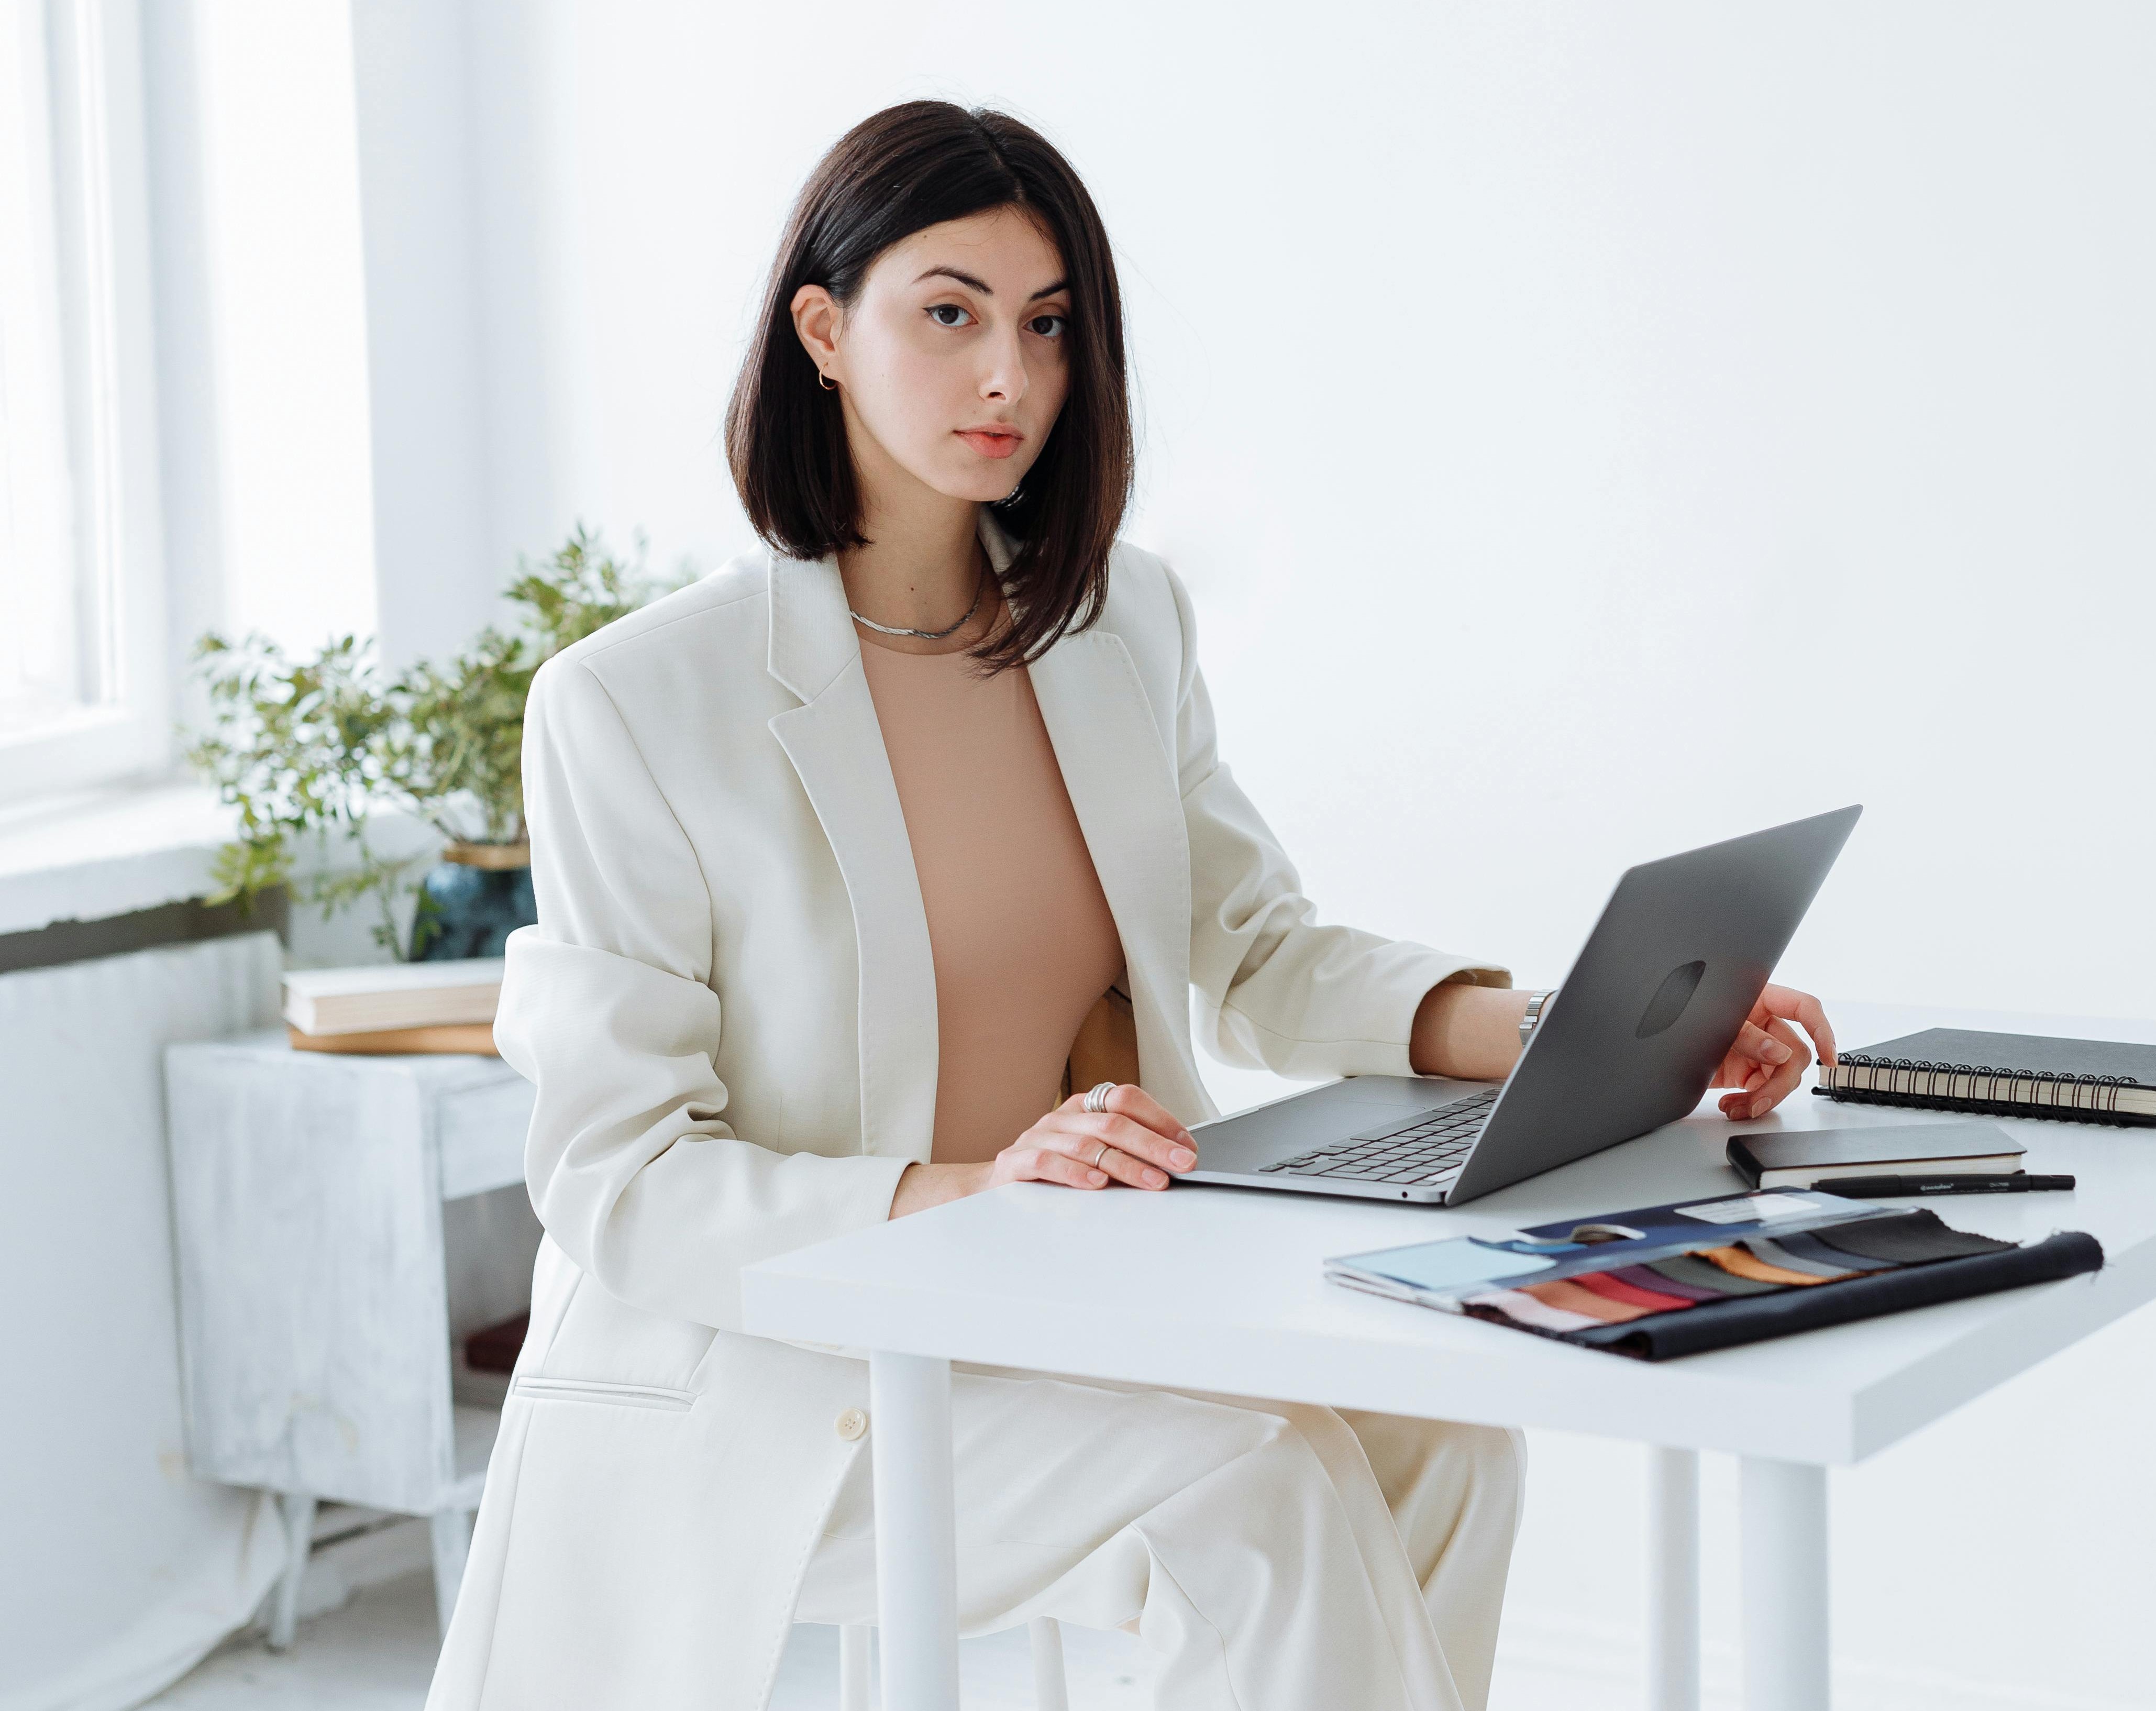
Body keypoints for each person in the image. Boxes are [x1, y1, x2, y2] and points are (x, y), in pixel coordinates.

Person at [425, 101, 1834, 1711]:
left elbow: (1250, 946)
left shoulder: (1116, 624)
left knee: (1451, 1442)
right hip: (783, 1372)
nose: (1007, 378)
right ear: (823, 330)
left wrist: (1556, 1026)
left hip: (1066, 1300)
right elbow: (621, 1175)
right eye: (947, 314)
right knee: (1266, 1483)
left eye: (1046, 326)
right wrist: (971, 1184)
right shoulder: (634, 705)